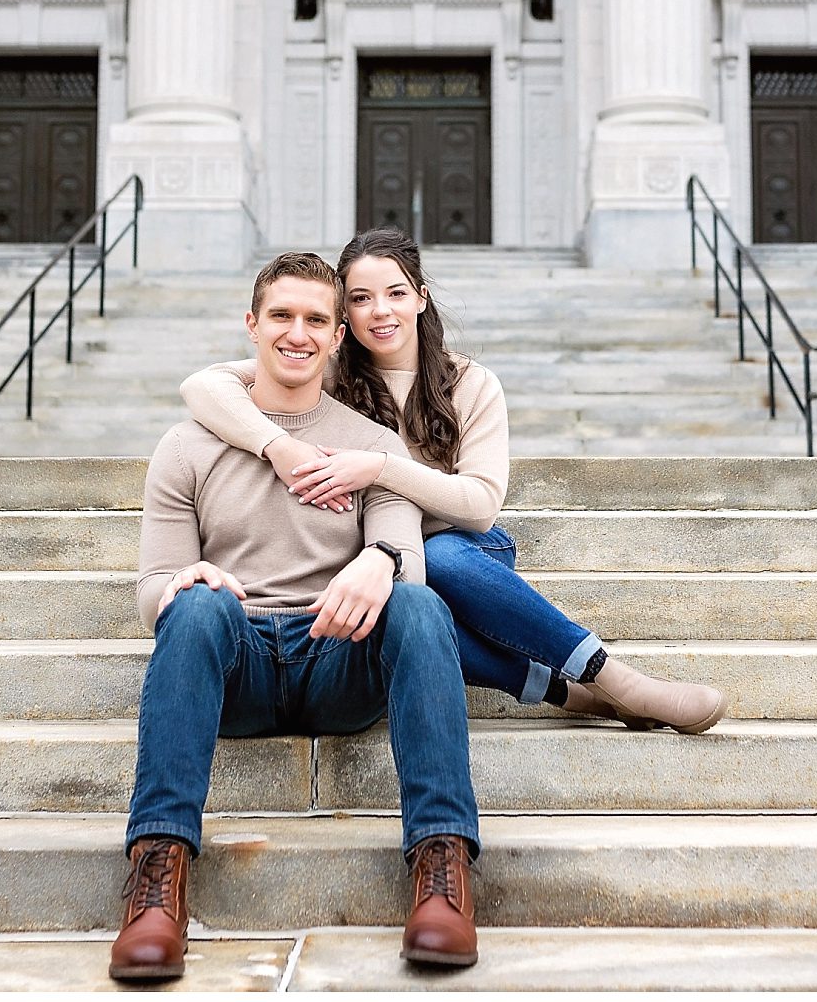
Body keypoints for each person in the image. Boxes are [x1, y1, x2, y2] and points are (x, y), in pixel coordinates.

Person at [181, 228, 728, 733]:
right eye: (360, 298)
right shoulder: (324, 369)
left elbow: (481, 505)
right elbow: (203, 387)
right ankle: (569, 692)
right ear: (342, 316)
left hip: (467, 555)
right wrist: (277, 446)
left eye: (395, 293)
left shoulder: (470, 383)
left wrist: (382, 467)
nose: (380, 311)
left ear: (420, 296)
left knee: (434, 560)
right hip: (375, 556)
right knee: (401, 599)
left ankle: (611, 677)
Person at [112, 251, 482, 983]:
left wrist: (381, 559)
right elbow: (153, 582)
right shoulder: (187, 443)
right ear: (251, 325)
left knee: (420, 604)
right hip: (236, 656)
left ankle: (443, 865)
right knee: (192, 605)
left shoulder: (373, 444)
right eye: (282, 315)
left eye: (317, 319)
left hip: (334, 653)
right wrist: (186, 583)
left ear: (340, 335)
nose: (298, 332)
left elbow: (404, 548)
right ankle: (158, 876)